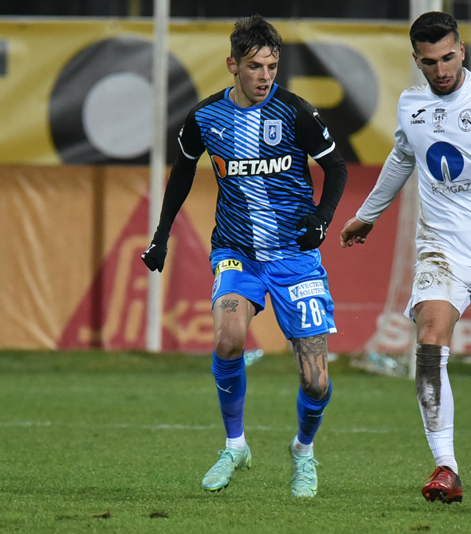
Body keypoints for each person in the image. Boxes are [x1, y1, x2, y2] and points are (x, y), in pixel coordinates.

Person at [340, 11, 471, 510]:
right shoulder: (411, 104)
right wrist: (367, 215)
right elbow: (402, 157)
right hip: (441, 248)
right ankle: (446, 466)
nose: (441, 69)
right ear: (416, 60)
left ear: (462, 51)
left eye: (448, 57)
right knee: (431, 337)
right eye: (429, 61)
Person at [141, 14, 347, 498]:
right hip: (237, 252)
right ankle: (235, 445)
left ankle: (303, 451)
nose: (265, 76)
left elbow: (336, 166)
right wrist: (161, 236)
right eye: (255, 66)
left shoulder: (295, 112)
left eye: (272, 66)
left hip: (294, 256)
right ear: (232, 64)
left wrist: (322, 218)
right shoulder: (205, 118)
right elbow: (182, 173)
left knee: (315, 382)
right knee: (228, 338)